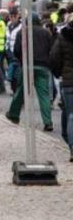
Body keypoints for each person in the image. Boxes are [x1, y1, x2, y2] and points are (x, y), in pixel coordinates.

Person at [7, 13, 55, 132]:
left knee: (20, 91)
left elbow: (16, 50)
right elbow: (52, 49)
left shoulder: (22, 32)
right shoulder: (46, 33)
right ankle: (48, 122)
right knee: (44, 95)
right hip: (43, 66)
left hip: (27, 65)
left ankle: (14, 114)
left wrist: (22, 61)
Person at [50, 17, 73, 162]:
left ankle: (72, 147)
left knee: (71, 115)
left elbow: (54, 58)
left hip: (69, 82)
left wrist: (59, 74)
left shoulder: (63, 37)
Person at [6, 7, 22, 93]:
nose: (12, 18)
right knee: (11, 76)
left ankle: (18, 93)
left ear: (17, 16)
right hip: (9, 53)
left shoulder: (21, 26)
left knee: (17, 76)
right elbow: (7, 39)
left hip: (18, 54)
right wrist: (6, 50)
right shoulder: (8, 25)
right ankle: (14, 91)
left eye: (14, 16)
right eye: (10, 16)